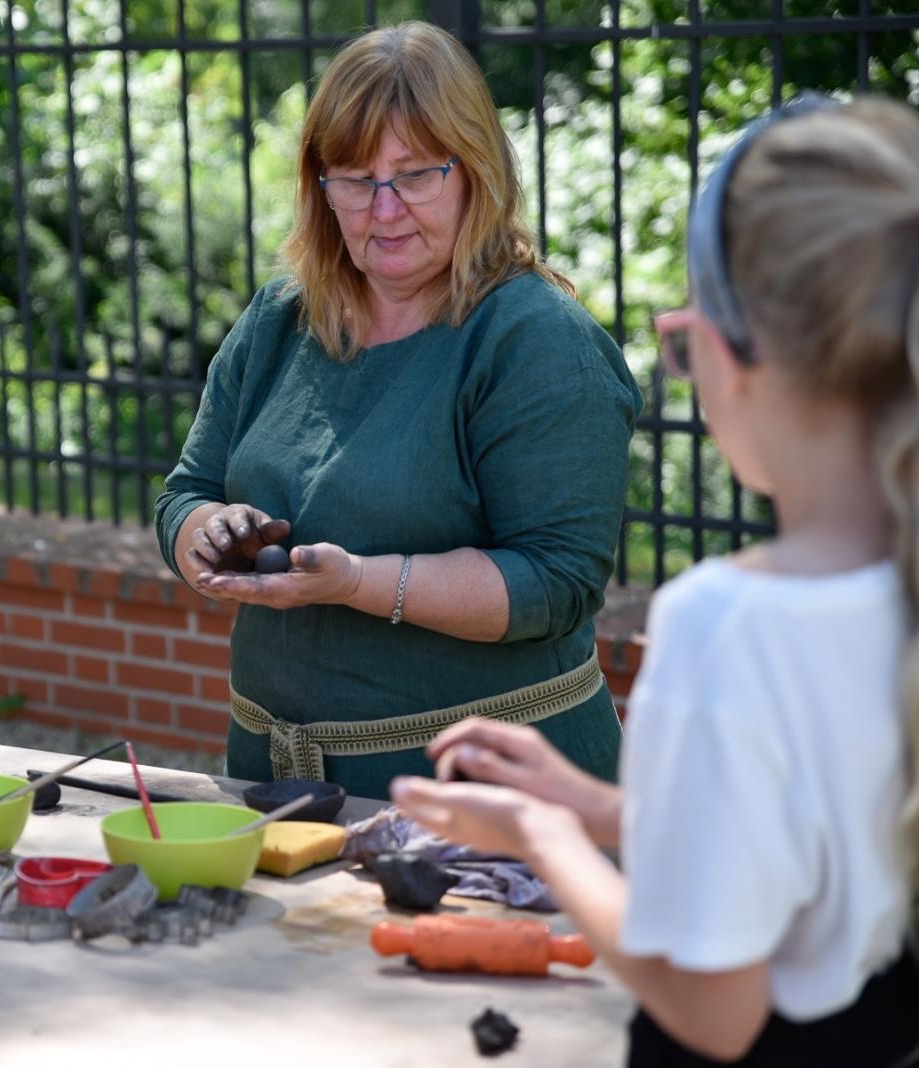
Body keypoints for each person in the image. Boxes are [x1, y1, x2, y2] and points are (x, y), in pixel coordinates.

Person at [392, 95, 919, 1066]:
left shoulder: (729, 623)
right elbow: (816, 844)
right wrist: (600, 810)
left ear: (726, 355)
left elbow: (713, 1008)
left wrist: (547, 842)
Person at [154, 22, 640, 798]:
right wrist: (203, 535)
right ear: (320, 186)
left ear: (474, 171)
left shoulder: (537, 341)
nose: (383, 210)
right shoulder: (281, 319)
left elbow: (553, 581)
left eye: (415, 176)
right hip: (274, 781)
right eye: (353, 177)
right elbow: (185, 492)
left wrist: (354, 581)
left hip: (481, 802)